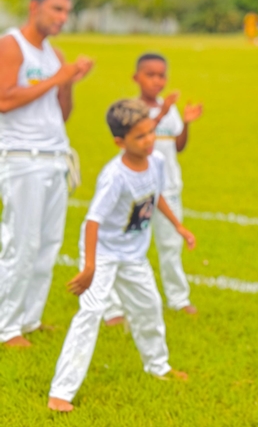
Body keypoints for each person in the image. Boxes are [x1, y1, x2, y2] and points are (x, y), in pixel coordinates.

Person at [47, 99, 195, 412]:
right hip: (103, 253)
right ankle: (61, 392)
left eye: (151, 132)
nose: (149, 140)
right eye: (140, 137)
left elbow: (155, 197)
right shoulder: (114, 176)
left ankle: (158, 366)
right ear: (120, 142)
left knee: (149, 307)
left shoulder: (156, 162)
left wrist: (179, 226)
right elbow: (93, 220)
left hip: (133, 256)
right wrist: (89, 267)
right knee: (89, 314)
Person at [0, 0, 93, 347]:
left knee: (48, 245)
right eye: (56, 9)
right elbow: (4, 99)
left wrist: (68, 81)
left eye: (67, 12)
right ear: (34, 7)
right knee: (22, 244)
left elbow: (61, 112)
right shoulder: (11, 45)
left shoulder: (54, 54)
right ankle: (6, 327)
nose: (62, 18)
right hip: (23, 159)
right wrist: (58, 77)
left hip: (55, 158)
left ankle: (30, 318)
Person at [104, 53, 203, 326]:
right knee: (128, 245)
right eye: (150, 74)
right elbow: (143, 132)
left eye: (161, 75)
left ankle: (178, 298)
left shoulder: (169, 107)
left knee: (171, 244)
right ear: (136, 77)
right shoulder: (132, 110)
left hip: (168, 186)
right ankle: (113, 306)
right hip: (138, 190)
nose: (157, 81)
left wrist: (187, 122)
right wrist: (162, 111)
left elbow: (177, 144)